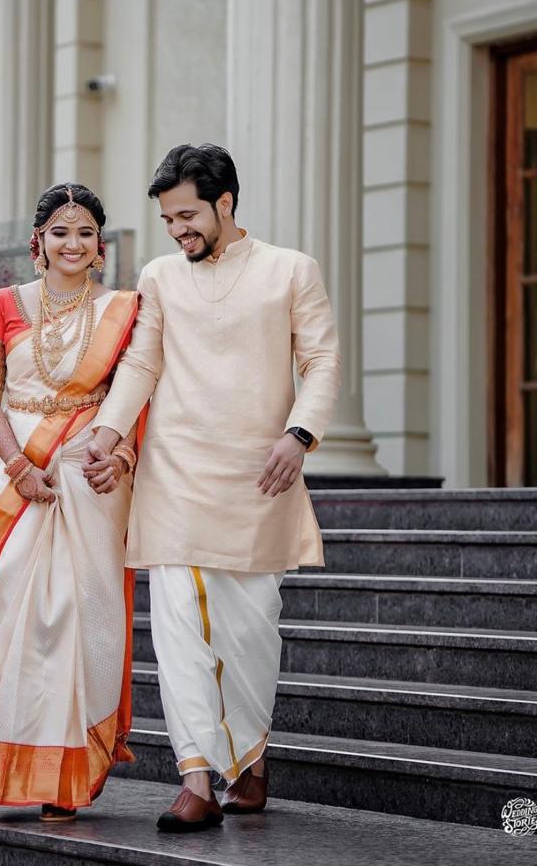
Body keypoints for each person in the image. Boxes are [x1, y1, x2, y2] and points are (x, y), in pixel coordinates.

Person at [83, 144, 341, 833]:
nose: (177, 230)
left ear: (225, 203)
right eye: (168, 219)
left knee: (252, 630)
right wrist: (108, 434)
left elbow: (320, 361)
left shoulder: (291, 271)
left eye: (188, 215)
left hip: (259, 477)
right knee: (177, 633)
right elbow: (142, 360)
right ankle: (195, 777)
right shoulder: (162, 276)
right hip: (174, 476)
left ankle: (251, 762)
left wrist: (299, 436)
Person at [0, 184, 141, 822]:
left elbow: (137, 397)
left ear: (100, 246)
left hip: (88, 474)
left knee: (81, 612)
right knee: (19, 611)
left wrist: (123, 457)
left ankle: (66, 775)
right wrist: (19, 465)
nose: (71, 243)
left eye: (83, 233)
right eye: (59, 232)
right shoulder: (6, 303)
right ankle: (19, 758)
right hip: (18, 472)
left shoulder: (125, 310)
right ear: (38, 242)